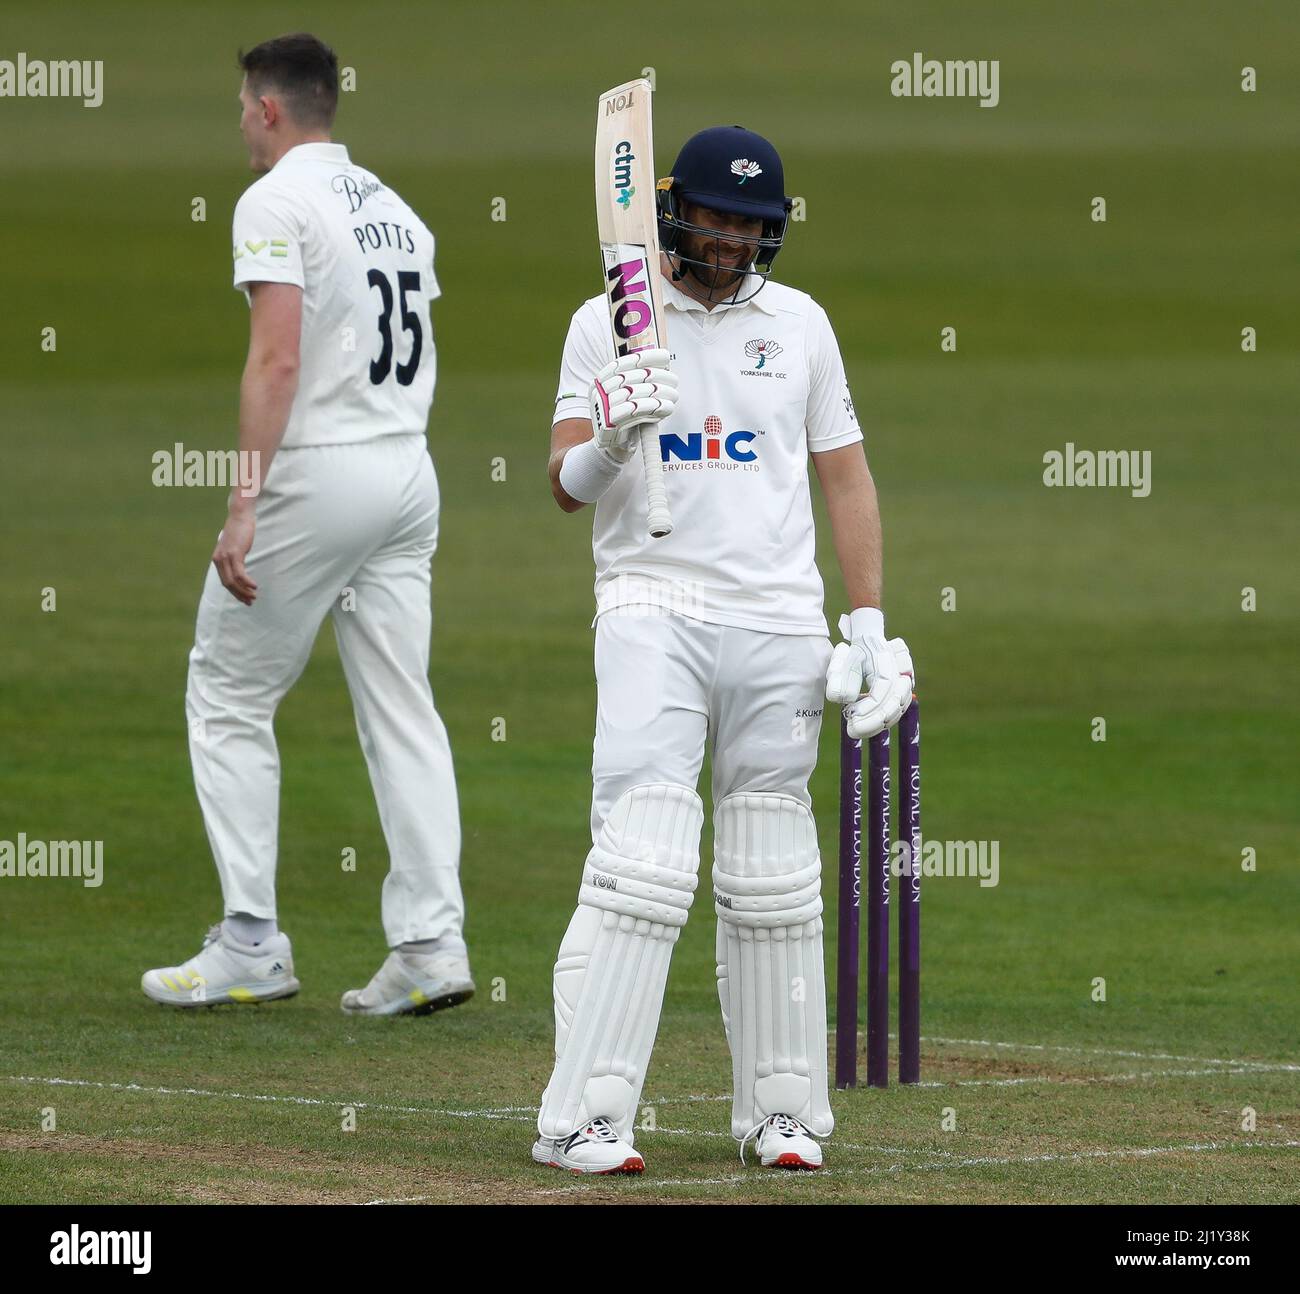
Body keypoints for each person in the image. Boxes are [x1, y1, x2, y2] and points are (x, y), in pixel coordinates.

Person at [534, 125, 914, 1174]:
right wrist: (613, 436)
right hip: (651, 605)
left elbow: (845, 475)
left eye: (754, 225)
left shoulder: (799, 326)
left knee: (774, 871)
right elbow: (562, 486)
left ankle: (780, 1115)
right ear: (673, 211)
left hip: (779, 620)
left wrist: (869, 622)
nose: (735, 239)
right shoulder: (605, 324)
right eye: (717, 218)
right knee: (643, 861)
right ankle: (585, 1118)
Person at [143, 33, 472, 1017]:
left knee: (227, 691)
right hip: (408, 474)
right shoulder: (395, 210)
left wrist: (244, 499)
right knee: (402, 706)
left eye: (243, 104)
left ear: (272, 109)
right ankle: (430, 943)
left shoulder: (273, 200)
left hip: (321, 474)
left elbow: (277, 360)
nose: (239, 119)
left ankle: (250, 940)